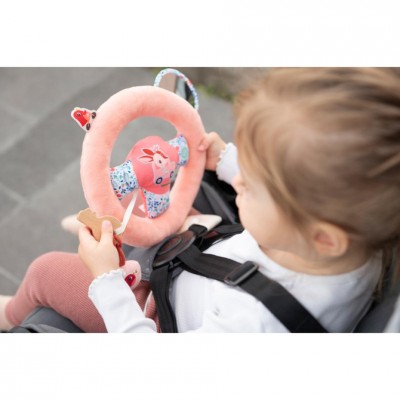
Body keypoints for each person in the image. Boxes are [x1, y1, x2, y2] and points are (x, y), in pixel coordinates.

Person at [1, 67, 399, 333]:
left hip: (159, 311)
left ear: (324, 237)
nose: (237, 182)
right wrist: (225, 160)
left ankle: (9, 313)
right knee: (168, 199)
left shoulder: (253, 324)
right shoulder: (356, 237)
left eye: (251, 184)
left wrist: (108, 281)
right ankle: (108, 226)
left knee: (46, 270)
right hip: (208, 261)